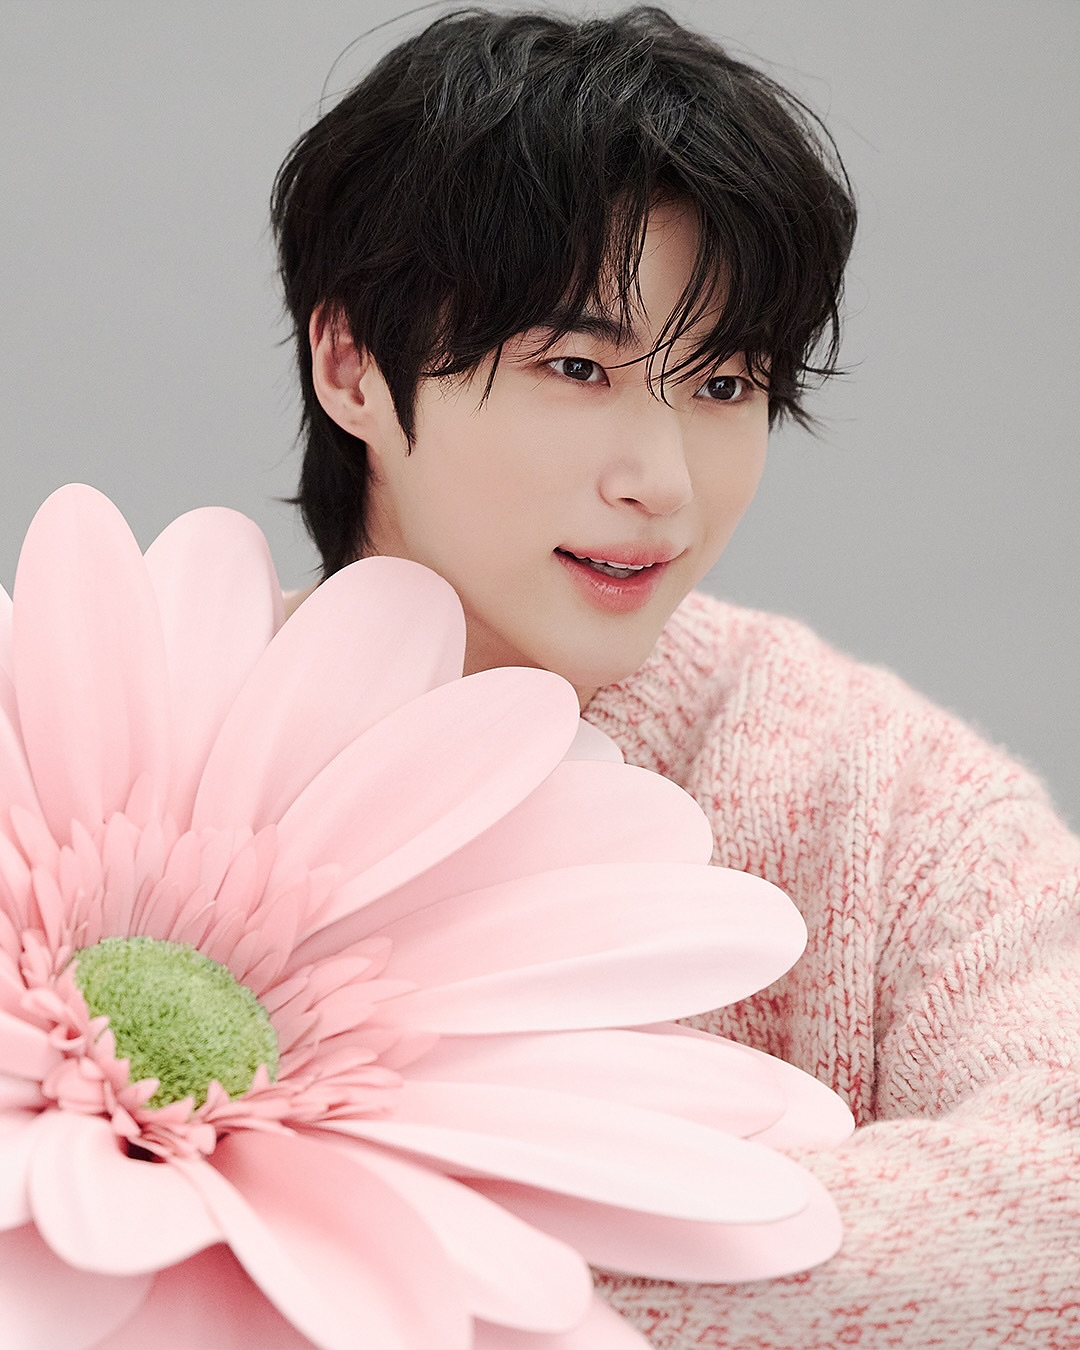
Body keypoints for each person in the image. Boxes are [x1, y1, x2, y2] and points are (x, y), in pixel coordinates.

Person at [270, 7, 1080, 1346]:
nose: (662, 481)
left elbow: (1061, 1198)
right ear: (352, 363)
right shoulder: (121, 753)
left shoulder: (879, 791)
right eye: (577, 367)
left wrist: (404, 1256)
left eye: (724, 384)